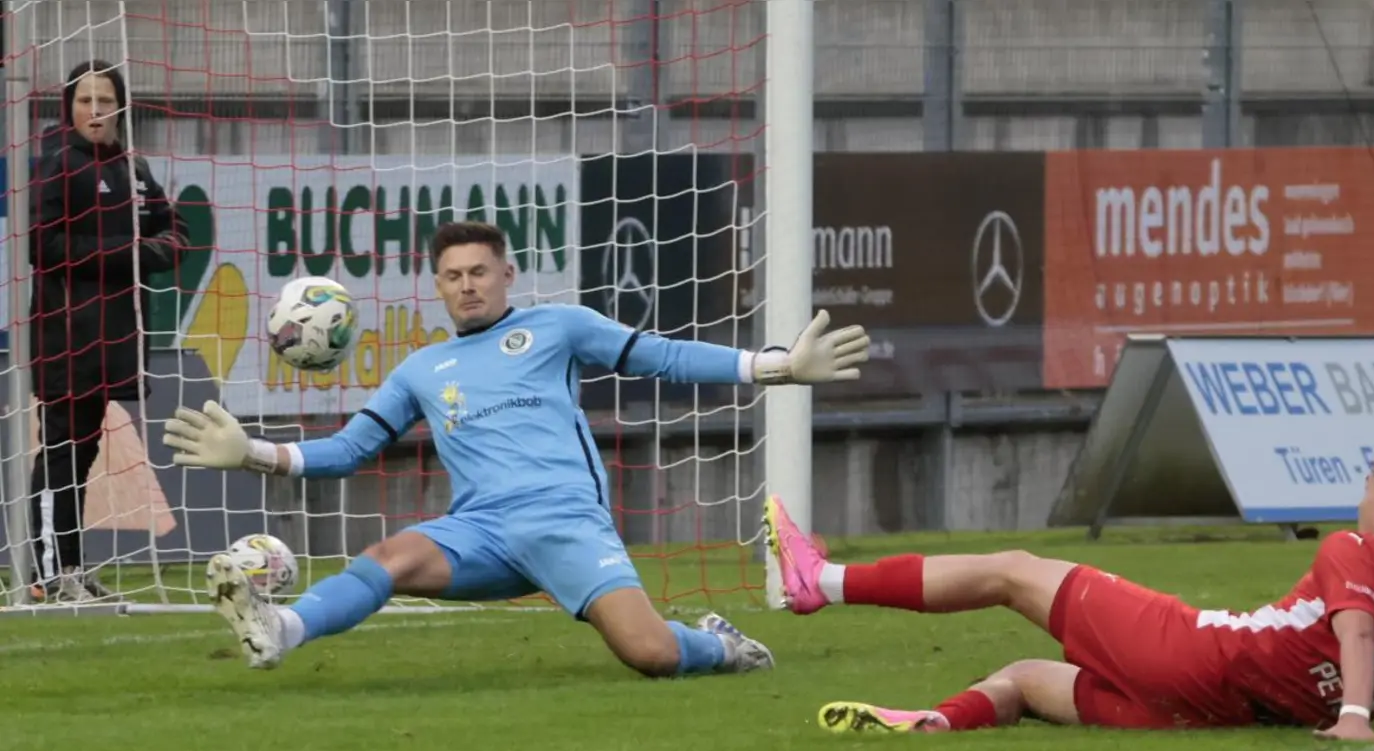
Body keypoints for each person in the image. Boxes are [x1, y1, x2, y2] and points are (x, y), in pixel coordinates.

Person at [162, 220, 870, 678]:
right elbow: (349, 450)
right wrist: (253, 450)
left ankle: (717, 644)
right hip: (480, 533)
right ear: (437, 287)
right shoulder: (420, 371)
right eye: (452, 276)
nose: (467, 285)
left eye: (479, 271)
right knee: (386, 557)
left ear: (506, 274)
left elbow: (662, 357)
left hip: (566, 520)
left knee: (650, 655)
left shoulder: (558, 326)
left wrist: (773, 367)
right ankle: (282, 629)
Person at [765, 430, 1374, 740]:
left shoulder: (1358, 550)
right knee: (1021, 680)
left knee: (1015, 573)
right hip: (1222, 714)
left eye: (1365, 484)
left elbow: (1353, 626)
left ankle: (819, 579)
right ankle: (937, 725)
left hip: (1198, 656)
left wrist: (1353, 718)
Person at [29, 59, 187, 602]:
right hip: (66, 336)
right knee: (60, 451)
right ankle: (50, 573)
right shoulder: (56, 166)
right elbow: (44, 249)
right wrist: (130, 255)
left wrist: (159, 251)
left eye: (104, 100)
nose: (95, 110)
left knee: (84, 451)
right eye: (84, 101)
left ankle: (71, 567)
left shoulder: (134, 168)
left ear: (120, 106)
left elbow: (173, 228)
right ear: (68, 108)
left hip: (117, 336)